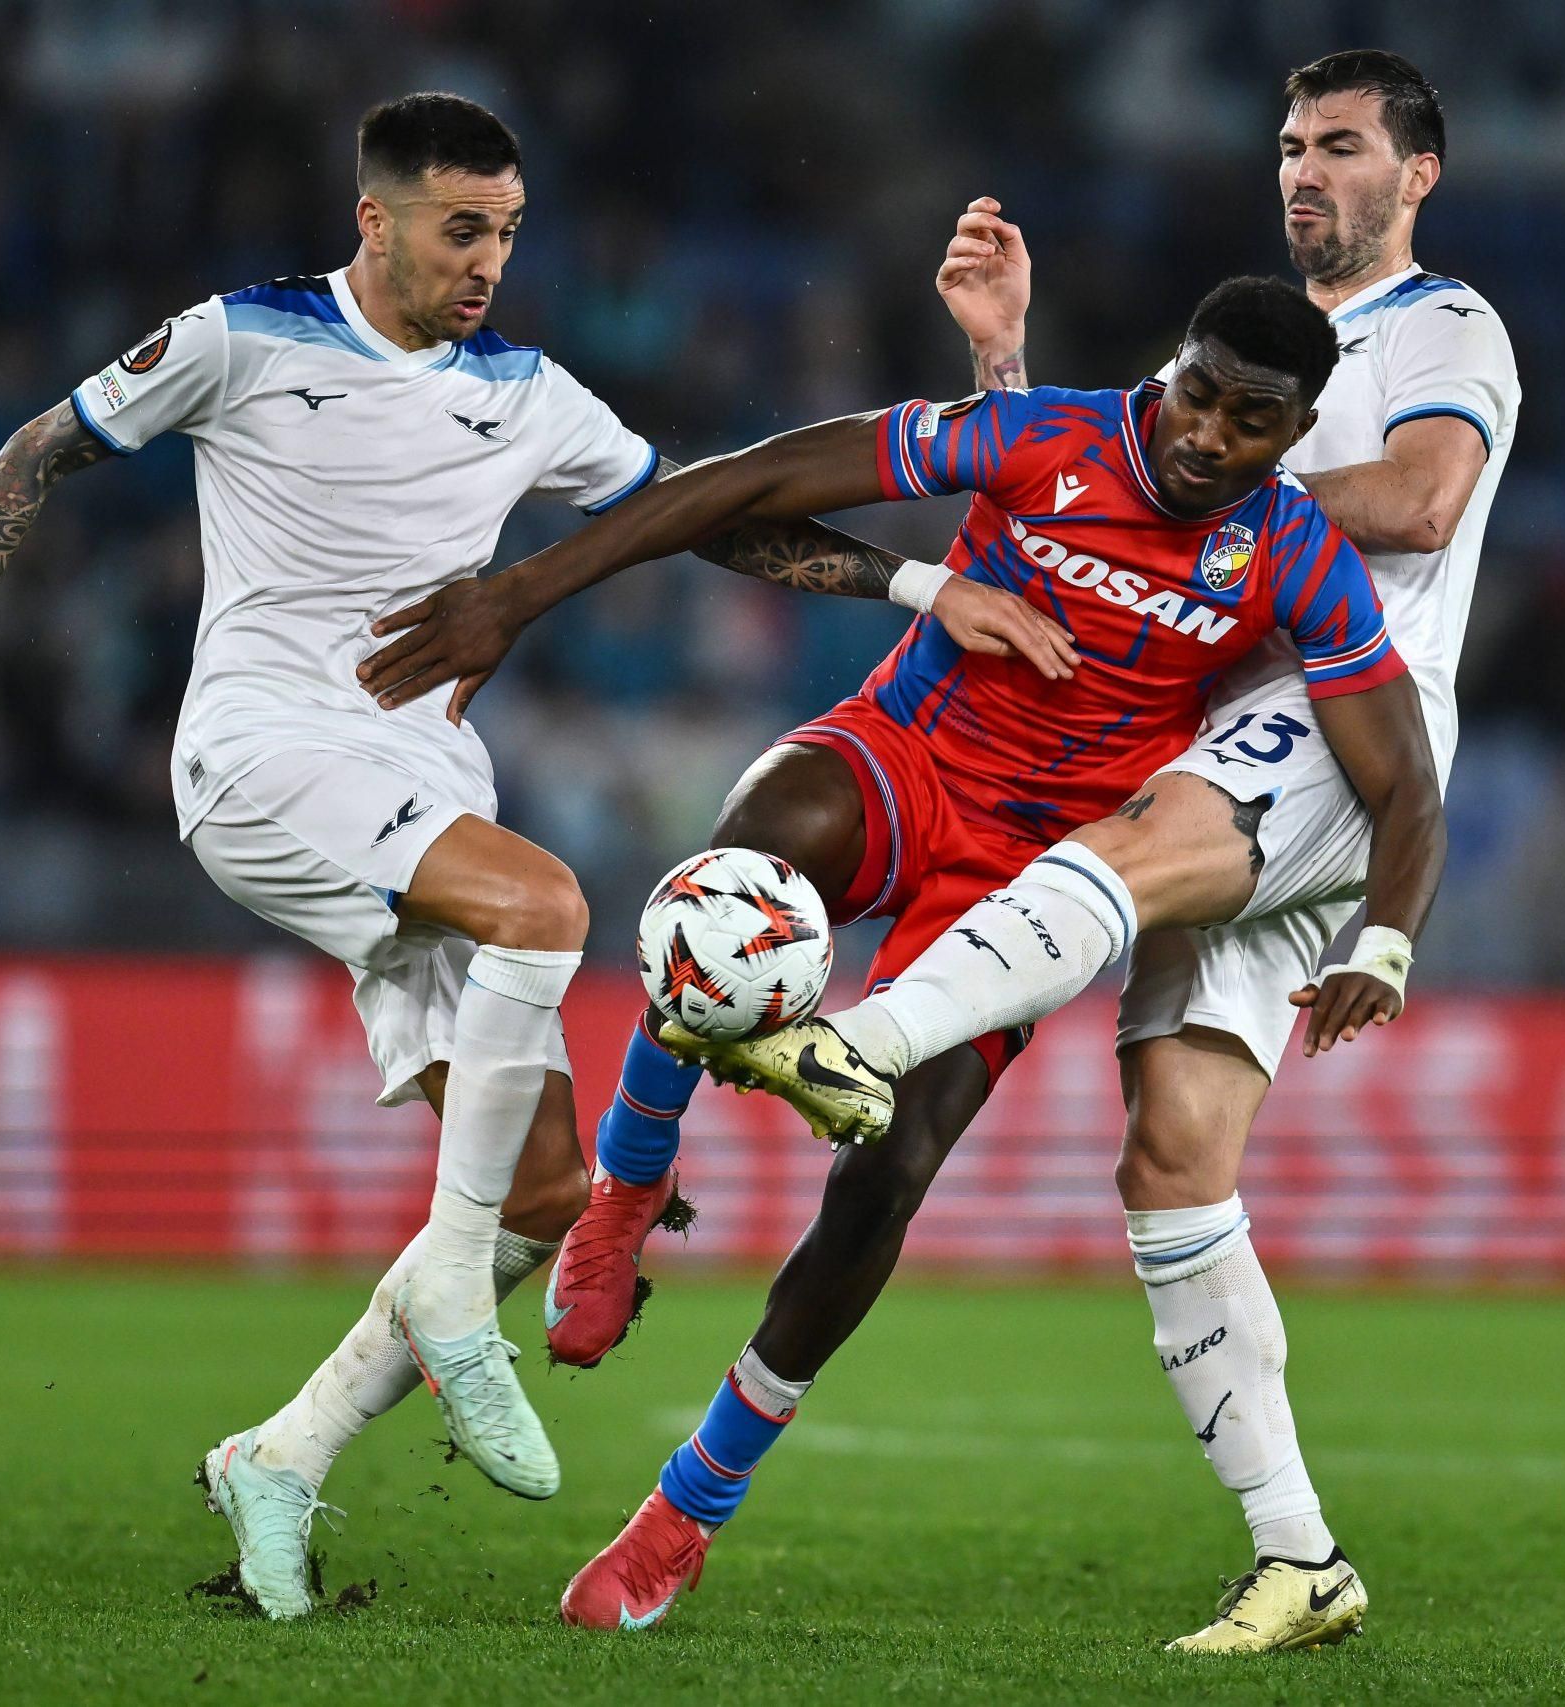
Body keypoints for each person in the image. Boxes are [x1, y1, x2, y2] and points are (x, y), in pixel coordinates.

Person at [0, 91, 1060, 1620]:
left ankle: (280, 1458)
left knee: (545, 1192)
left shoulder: (527, 391)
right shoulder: (246, 338)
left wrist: (915, 585)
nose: (490, 260)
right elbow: (33, 455)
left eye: (509, 232)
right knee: (549, 902)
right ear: (379, 219)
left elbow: (700, 519)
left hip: (418, 783)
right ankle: (443, 1279)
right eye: (461, 228)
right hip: (265, 755)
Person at [357, 274, 1446, 1634]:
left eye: (1250, 420)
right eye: (1198, 392)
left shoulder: (1293, 558)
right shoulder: (1042, 438)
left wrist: (1386, 940)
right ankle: (625, 1196)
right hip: (905, 757)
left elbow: (1404, 784)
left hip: (1023, 884)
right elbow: (750, 481)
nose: (1207, 432)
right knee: (739, 870)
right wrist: (519, 597)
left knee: (890, 1178)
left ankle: (684, 1514)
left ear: (1293, 438)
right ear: (1170, 367)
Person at [661, 49, 1521, 1652]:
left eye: (1342, 145)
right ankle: (1301, 1557)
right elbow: (1085, 499)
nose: (1304, 169)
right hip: (1231, 739)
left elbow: (1414, 498)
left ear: (1419, 175)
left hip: (1344, 728)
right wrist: (1094, 430)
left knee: (1112, 859)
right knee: (1172, 1161)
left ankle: (858, 1040)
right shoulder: (1235, 374)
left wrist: (1195, 482)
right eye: (1288, 143)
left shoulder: (1439, 327)